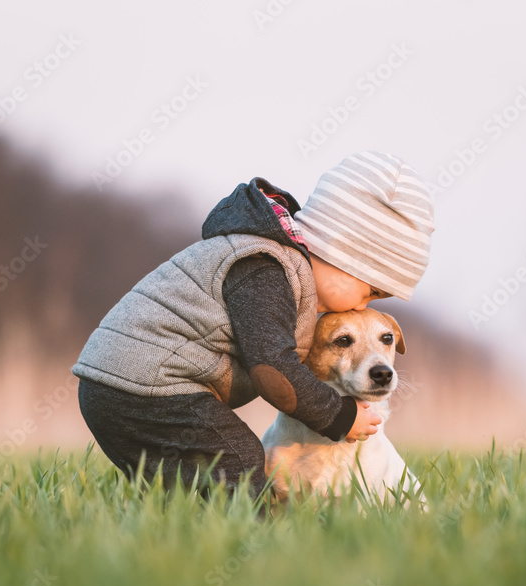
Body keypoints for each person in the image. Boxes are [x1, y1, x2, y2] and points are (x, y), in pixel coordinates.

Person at [72, 151, 434, 498]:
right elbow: (272, 369)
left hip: (115, 387)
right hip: (145, 385)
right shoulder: (268, 269)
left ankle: (184, 542)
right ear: (341, 252)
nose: (362, 306)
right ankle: (254, 550)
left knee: (190, 489)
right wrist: (340, 416)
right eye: (369, 291)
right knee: (239, 462)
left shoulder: (275, 264)